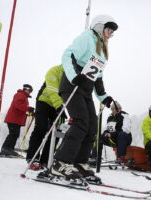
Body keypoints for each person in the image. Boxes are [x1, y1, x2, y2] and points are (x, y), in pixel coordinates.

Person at [50, 15, 118, 183]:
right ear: (100, 27)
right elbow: (68, 55)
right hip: (72, 87)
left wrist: (105, 99)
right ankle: (60, 163)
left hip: (86, 90)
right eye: (109, 30)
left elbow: (98, 78)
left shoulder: (102, 49)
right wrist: (74, 76)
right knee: (81, 121)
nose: (111, 35)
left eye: (112, 32)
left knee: (92, 126)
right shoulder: (87, 38)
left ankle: (79, 162)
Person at [26, 65, 66, 170]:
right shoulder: (55, 71)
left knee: (56, 132)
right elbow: (52, 90)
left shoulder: (73, 75)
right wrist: (59, 105)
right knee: (41, 128)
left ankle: (46, 159)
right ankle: (32, 157)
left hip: (57, 105)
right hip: (44, 101)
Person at [0, 84, 34, 157]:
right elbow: (18, 105)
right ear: (26, 89)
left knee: (15, 134)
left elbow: (22, 109)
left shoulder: (23, 96)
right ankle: (7, 148)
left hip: (16, 119)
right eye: (29, 90)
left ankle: (8, 148)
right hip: (13, 119)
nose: (30, 92)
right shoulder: (20, 95)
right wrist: (28, 108)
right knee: (13, 134)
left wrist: (30, 113)